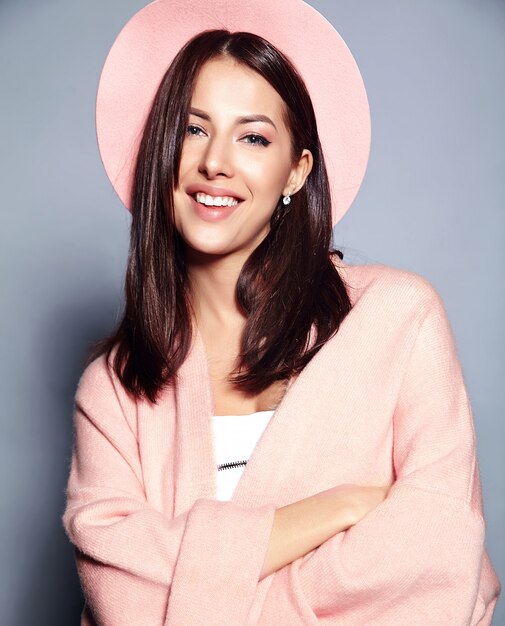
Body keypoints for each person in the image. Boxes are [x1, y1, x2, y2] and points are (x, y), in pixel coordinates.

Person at [61, 1, 501, 624]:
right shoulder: (113, 390)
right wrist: (334, 509)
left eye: (253, 137)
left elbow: (440, 563)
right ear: (162, 151)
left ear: (296, 171)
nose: (216, 161)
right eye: (192, 129)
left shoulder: (400, 321)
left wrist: (201, 594)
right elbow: (123, 603)